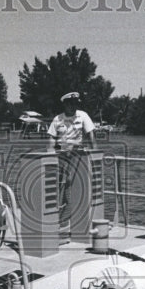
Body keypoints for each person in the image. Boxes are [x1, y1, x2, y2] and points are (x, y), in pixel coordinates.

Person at [48, 92, 96, 224]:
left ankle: (73, 216)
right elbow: (52, 139)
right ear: (65, 104)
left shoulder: (83, 115)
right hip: (61, 155)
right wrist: (50, 157)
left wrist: (95, 154)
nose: (73, 106)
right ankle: (57, 214)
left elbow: (90, 135)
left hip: (77, 155)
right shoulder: (58, 119)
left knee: (73, 184)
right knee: (57, 185)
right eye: (70, 104)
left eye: (75, 103)